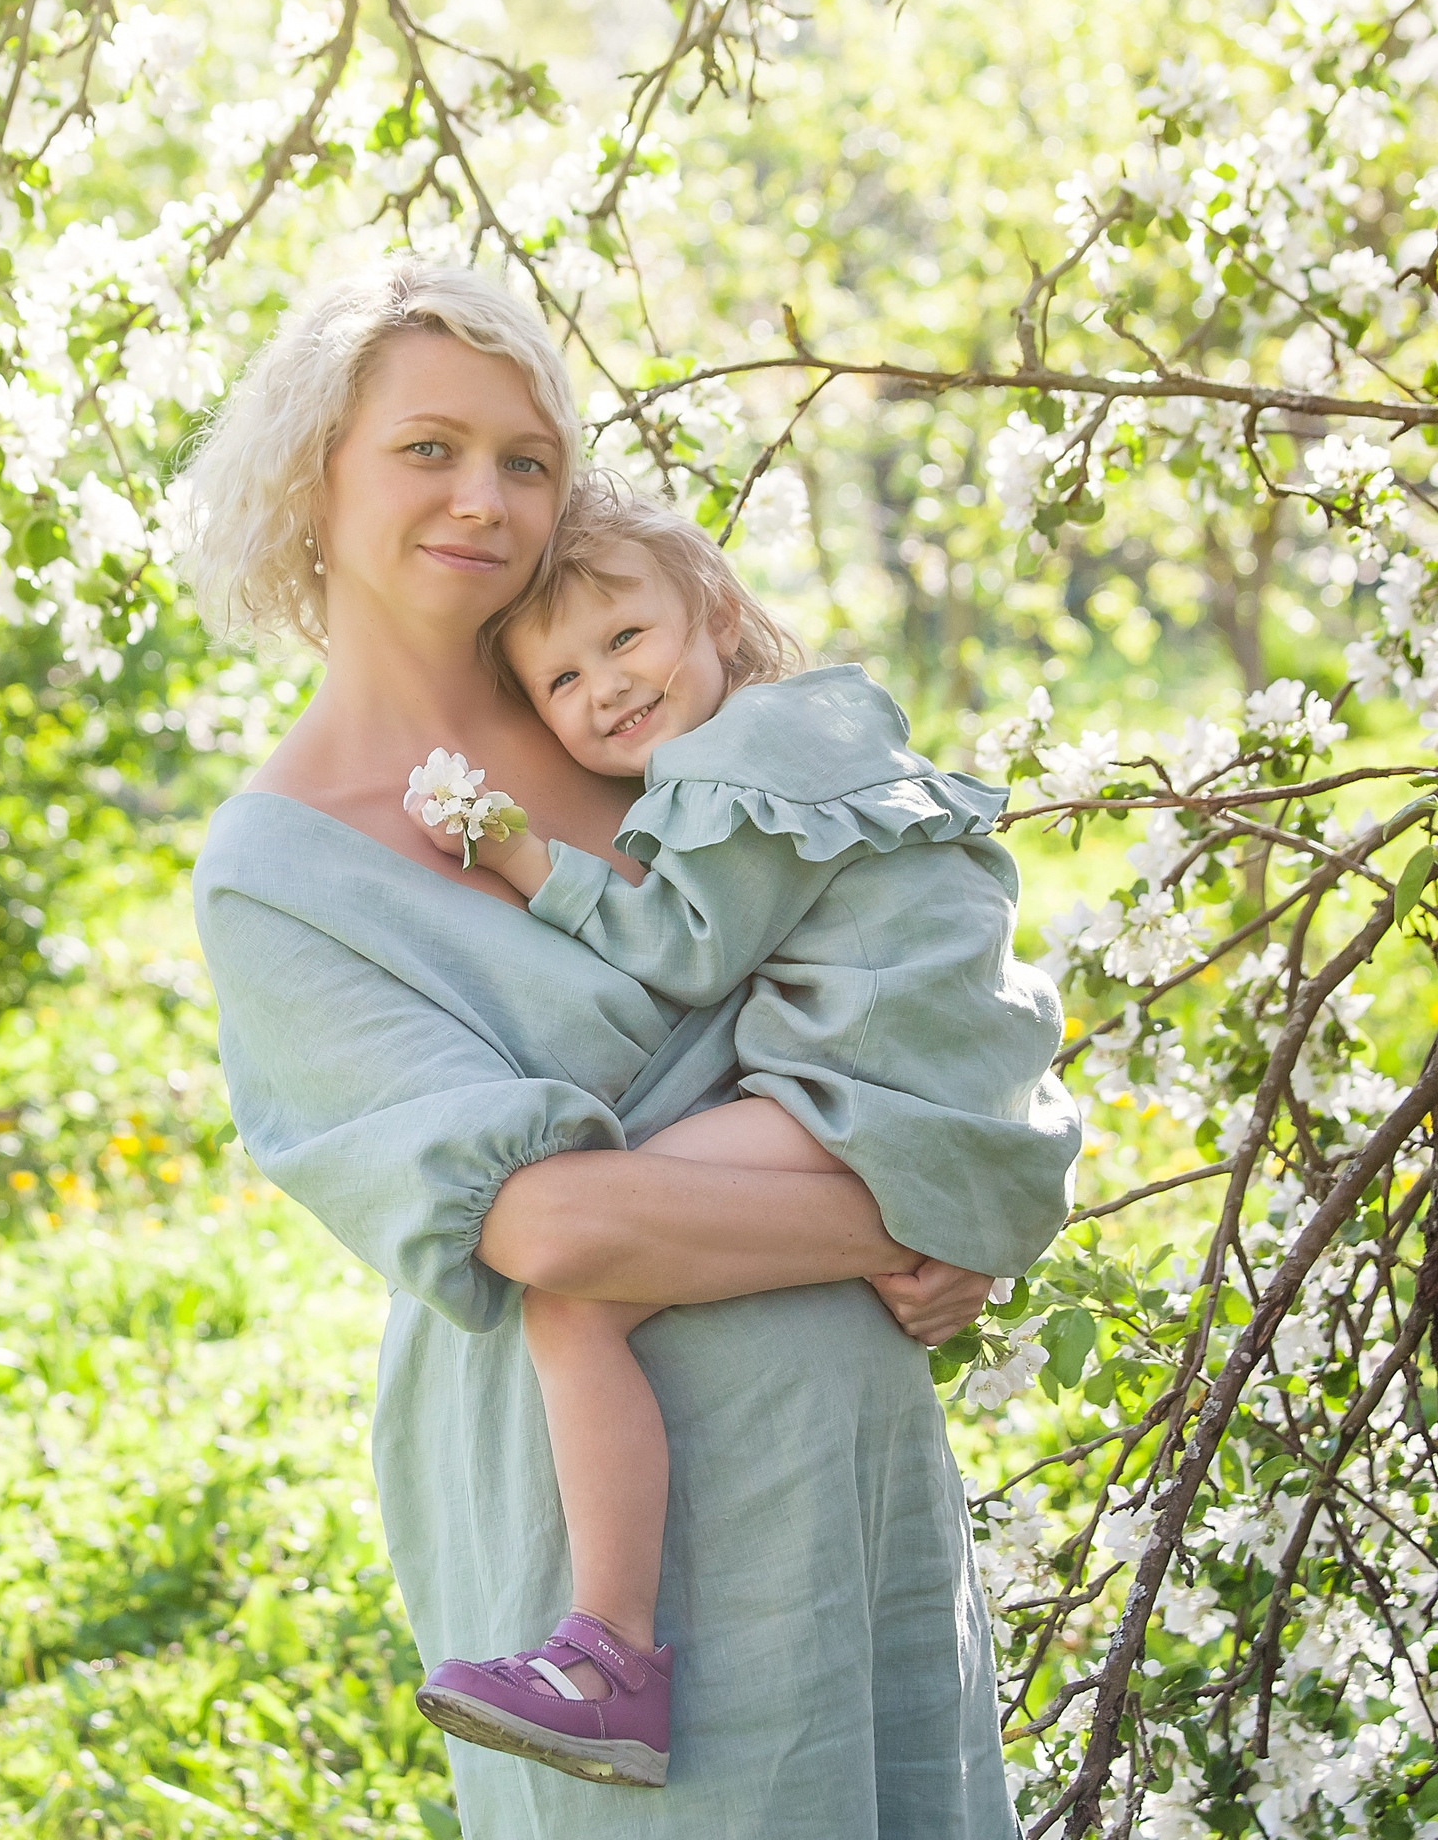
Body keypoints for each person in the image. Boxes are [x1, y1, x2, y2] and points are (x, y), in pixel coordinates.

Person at [184, 258, 1080, 1838]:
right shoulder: (278, 874)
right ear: (309, 480)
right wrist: (932, 1197)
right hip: (600, 1538)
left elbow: (905, 973)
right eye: (429, 449)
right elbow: (547, 1224)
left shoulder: (654, 716)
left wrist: (968, 1171)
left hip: (855, 1477)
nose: (486, 497)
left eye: (527, 460)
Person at [400, 473, 1072, 1787]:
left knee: (575, 1287)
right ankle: (609, 1659)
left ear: (711, 606)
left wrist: (516, 849)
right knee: (597, 1264)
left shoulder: (735, 762)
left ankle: (609, 1661)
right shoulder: (822, 723)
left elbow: (685, 948)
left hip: (867, 1093)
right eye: (562, 680)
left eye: (626, 638)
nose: (605, 687)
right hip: (924, 1085)